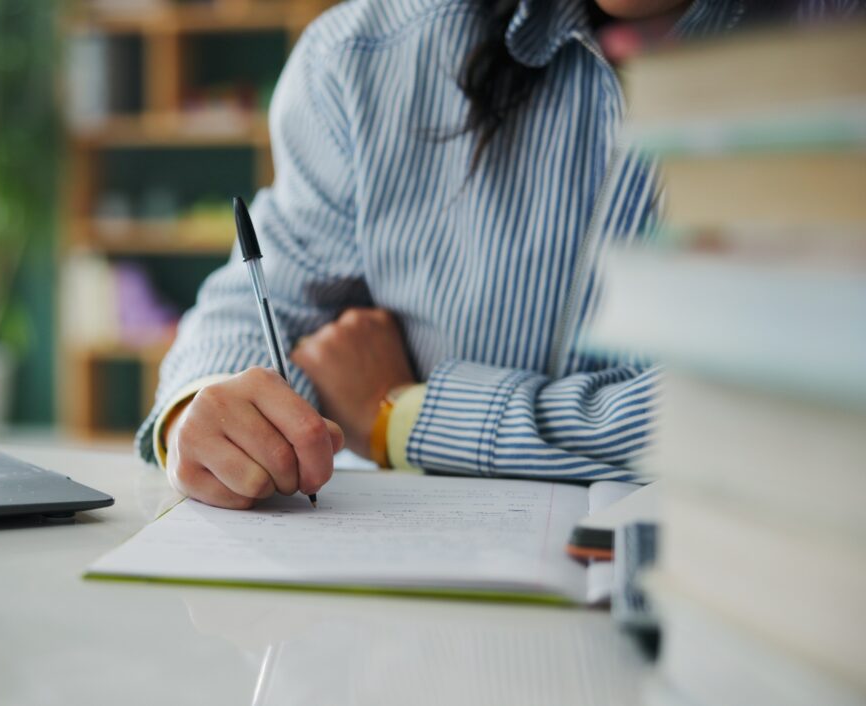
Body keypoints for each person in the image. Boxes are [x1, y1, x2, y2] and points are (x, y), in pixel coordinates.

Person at [135, 0, 841, 509]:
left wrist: (405, 418)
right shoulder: (365, 56)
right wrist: (205, 408)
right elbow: (256, 303)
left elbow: (800, 415)